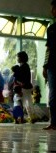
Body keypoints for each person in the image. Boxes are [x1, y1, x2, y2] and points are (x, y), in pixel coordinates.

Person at [43, 0, 56, 130]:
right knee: (53, 94)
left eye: (54, 8)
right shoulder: (51, 29)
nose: (52, 11)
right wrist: (45, 66)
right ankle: (54, 122)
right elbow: (48, 49)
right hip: (52, 66)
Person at [16, 51, 35, 123]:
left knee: (22, 103)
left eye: (18, 57)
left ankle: (21, 118)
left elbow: (21, 78)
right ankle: (31, 117)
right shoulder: (26, 66)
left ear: (21, 58)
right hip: (27, 87)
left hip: (24, 87)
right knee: (28, 102)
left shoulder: (23, 67)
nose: (17, 59)